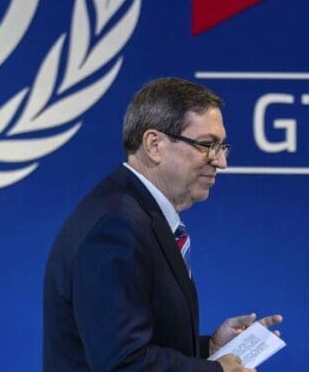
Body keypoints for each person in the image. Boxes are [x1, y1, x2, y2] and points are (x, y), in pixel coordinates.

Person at [43, 77, 282, 371]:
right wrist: (217, 370)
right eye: (207, 145)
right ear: (154, 145)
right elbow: (123, 363)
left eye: (222, 147)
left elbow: (131, 341)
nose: (221, 162)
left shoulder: (134, 213)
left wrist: (208, 348)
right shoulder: (116, 227)